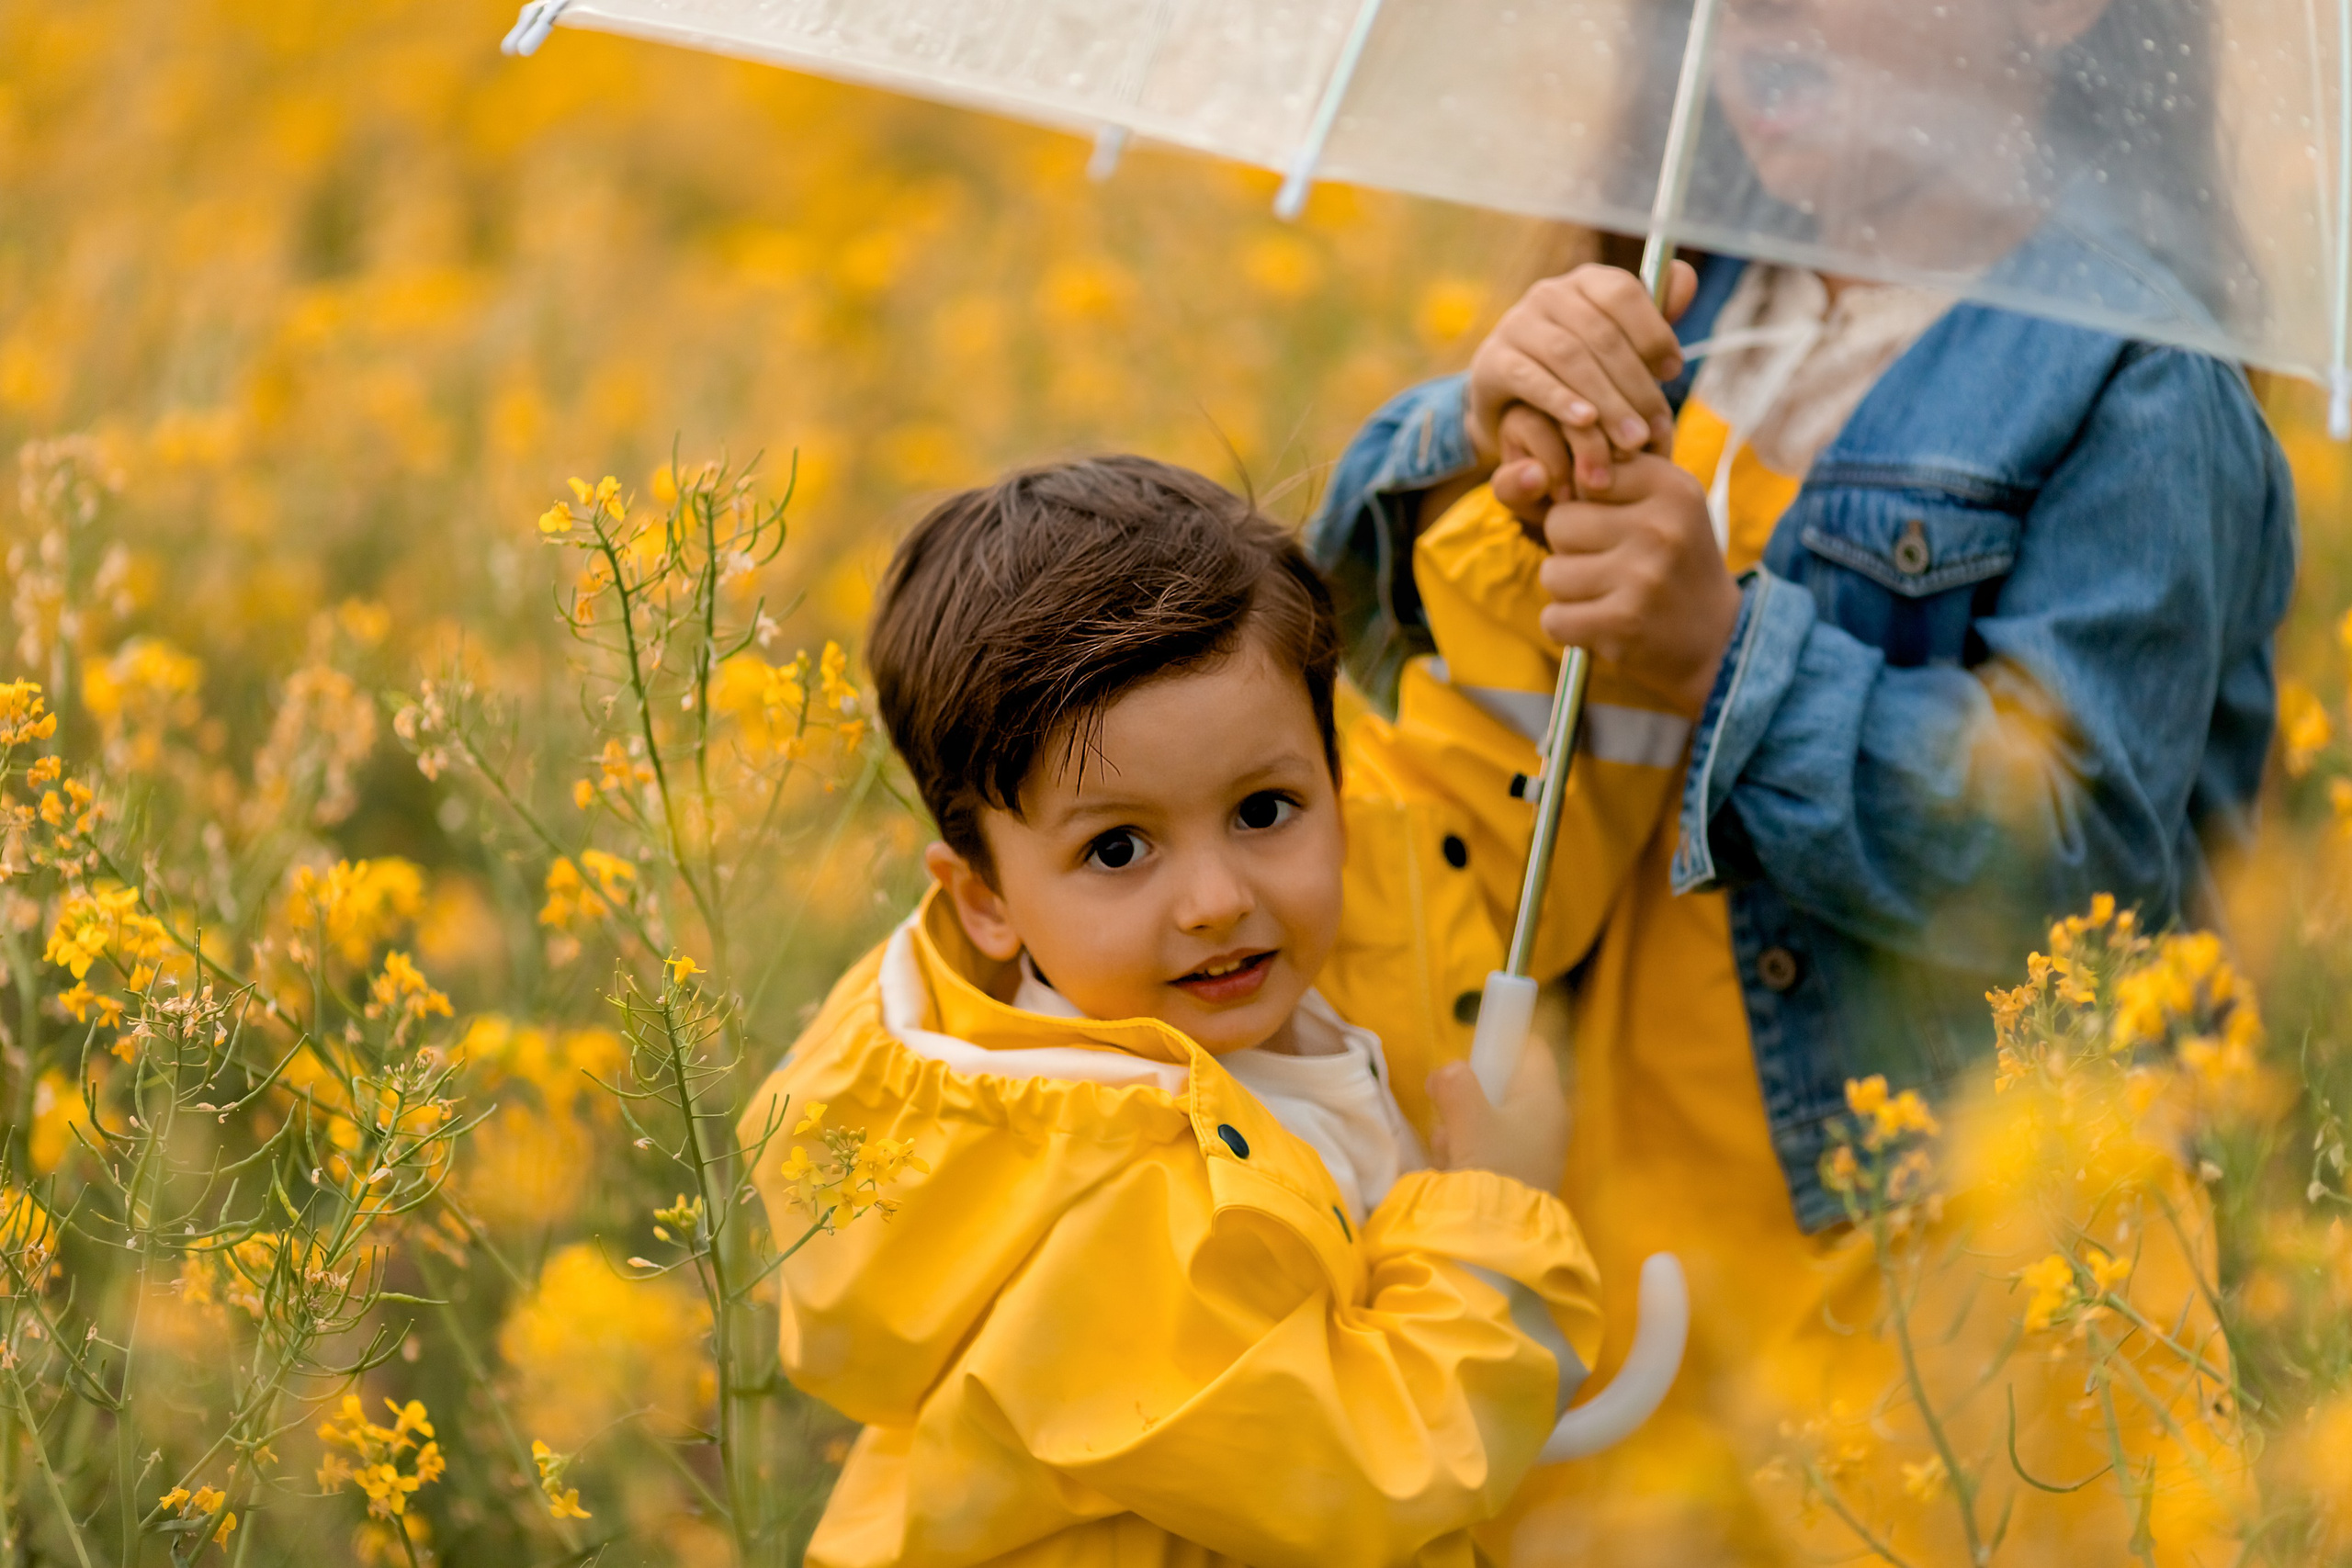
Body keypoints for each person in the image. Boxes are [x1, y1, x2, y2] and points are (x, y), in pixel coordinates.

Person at [1306, 0, 2294, 1558]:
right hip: (1633, 1231)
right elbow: (1334, 666)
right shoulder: (1674, 303)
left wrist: (1724, 655)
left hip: (1963, 1282)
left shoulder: (2137, 379)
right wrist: (1474, 429)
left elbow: (2076, 864)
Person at [740, 456, 1699, 1568]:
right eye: (1116, 848)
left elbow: (1518, 787)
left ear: (1336, 787)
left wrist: (1557, 521)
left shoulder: (1305, 938)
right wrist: (1491, 1217)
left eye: (1262, 809)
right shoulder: (1095, 1187)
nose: (1217, 902)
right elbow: (1370, 1469)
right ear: (987, 900)